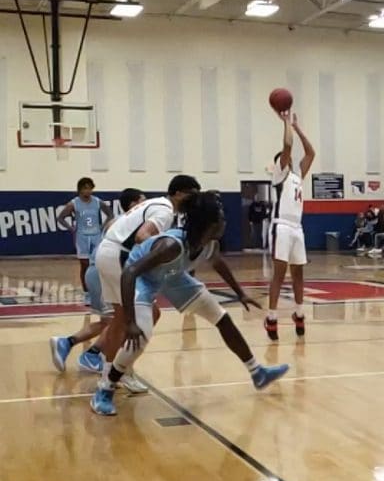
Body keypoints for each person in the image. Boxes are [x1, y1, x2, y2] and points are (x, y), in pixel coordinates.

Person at [91, 192, 287, 415]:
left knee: (221, 317)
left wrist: (240, 293)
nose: (224, 222)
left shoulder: (208, 243)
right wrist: (130, 320)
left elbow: (218, 263)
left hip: (173, 276)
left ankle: (257, 373)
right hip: (142, 280)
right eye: (221, 218)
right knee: (141, 334)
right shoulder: (170, 245)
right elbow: (129, 273)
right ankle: (104, 390)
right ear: (210, 224)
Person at [95, 174, 201, 393]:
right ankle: (120, 371)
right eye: (192, 195)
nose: (195, 201)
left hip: (107, 251)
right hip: (119, 256)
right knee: (147, 314)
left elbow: (116, 226)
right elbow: (142, 237)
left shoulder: (154, 203)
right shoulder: (165, 211)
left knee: (121, 318)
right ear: (179, 193)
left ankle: (112, 371)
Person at [50, 188, 145, 374]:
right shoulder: (129, 224)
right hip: (103, 272)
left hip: (100, 271)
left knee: (111, 321)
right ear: (134, 204)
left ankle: (68, 344)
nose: (147, 204)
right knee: (118, 321)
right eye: (144, 200)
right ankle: (91, 354)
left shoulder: (119, 221)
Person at [265, 111, 315, 341]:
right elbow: (287, 146)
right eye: (284, 159)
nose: (288, 160)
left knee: (298, 274)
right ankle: (272, 317)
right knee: (279, 273)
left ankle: (299, 312)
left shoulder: (297, 176)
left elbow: (311, 153)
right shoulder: (280, 175)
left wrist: (297, 127)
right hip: (281, 226)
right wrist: (285, 123)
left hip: (297, 228)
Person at [57, 177, 113, 304]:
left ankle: (100, 292)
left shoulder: (97, 201)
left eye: (90, 188)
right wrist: (71, 229)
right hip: (82, 237)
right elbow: (60, 218)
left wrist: (102, 227)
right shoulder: (74, 203)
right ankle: (87, 294)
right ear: (79, 190)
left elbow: (110, 214)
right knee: (85, 266)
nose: (88, 191)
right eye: (85, 188)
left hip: (96, 236)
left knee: (99, 265)